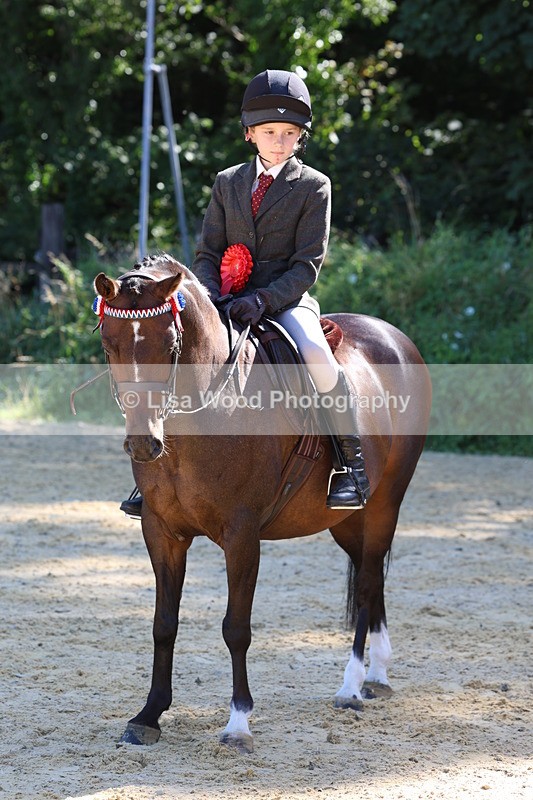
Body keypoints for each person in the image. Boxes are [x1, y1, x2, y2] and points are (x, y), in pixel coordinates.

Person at [120, 69, 369, 518]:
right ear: (250, 133)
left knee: (317, 353)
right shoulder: (227, 181)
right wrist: (211, 296)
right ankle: (150, 477)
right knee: (170, 350)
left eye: (290, 133)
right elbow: (207, 252)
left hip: (284, 300)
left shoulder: (314, 186)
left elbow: (307, 265)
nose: (279, 141)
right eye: (270, 132)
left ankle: (349, 467)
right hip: (222, 300)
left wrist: (264, 300)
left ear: (300, 137)